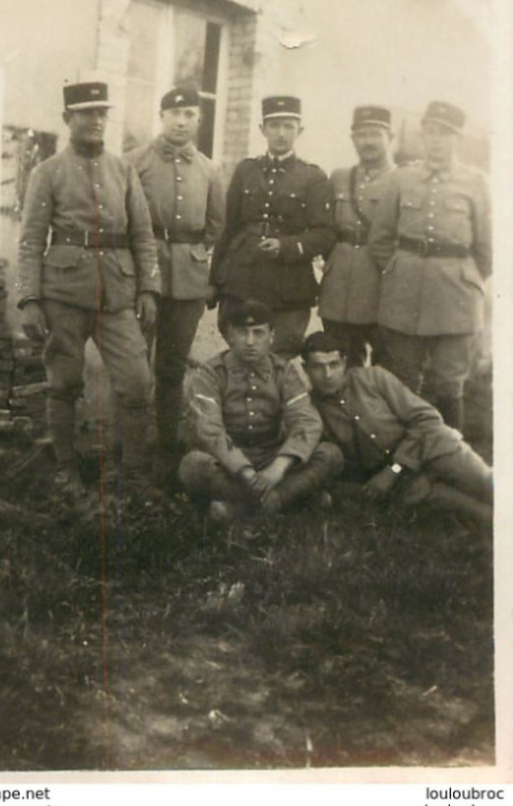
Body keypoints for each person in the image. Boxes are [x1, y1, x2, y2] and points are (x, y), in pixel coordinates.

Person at [17, 80, 161, 505]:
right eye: (86, 113)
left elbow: (144, 236)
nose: (96, 120)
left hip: (117, 294)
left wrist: (149, 289)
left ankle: (132, 474)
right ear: (68, 119)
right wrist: (29, 300)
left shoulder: (124, 171)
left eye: (102, 113)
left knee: (137, 383)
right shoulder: (48, 173)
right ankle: (65, 470)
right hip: (63, 293)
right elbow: (30, 242)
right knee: (63, 382)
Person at [368, 100, 491, 430]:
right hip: (404, 294)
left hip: (456, 300)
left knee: (449, 384)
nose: (436, 141)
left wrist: (461, 277)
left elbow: (487, 250)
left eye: (445, 134)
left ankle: (452, 462)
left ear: (458, 139)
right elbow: (379, 239)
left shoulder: (476, 184)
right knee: (405, 380)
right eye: (431, 133)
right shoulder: (401, 179)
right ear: (422, 136)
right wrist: (399, 269)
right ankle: (405, 464)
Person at [126, 85, 225, 487]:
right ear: (162, 117)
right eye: (174, 114)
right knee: (135, 368)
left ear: (199, 121)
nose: (181, 122)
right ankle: (130, 450)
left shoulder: (209, 168)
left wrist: (194, 254)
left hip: (188, 280)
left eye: (190, 115)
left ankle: (167, 449)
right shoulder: (135, 163)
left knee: (171, 368)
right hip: (143, 277)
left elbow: (217, 224)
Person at [301, 331, 492, 523]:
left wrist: (393, 470)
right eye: (318, 367)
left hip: (434, 449)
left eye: (333, 364)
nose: (327, 374)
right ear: (305, 369)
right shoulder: (310, 410)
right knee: (482, 516)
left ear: (344, 363)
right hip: (406, 484)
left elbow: (427, 418)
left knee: (491, 487)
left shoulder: (374, 378)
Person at [179, 300, 343, 523]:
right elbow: (210, 429)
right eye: (242, 333)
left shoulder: (283, 371)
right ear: (229, 336)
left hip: (273, 456)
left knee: (330, 454)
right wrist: (244, 470)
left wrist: (278, 468)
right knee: (193, 466)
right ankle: (285, 499)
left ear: (271, 336)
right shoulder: (211, 373)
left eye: (258, 333)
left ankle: (239, 509)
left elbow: (306, 421)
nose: (250, 342)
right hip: (230, 465)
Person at [209, 95, 334, 359]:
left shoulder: (313, 177)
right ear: (262, 130)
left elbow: (324, 233)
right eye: (274, 125)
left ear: (299, 131)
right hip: (243, 277)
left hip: (287, 285)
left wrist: (286, 246)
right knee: (240, 349)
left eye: (288, 126)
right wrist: (215, 280)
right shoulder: (246, 170)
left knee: (280, 355)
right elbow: (228, 228)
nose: (281, 133)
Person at [318, 105, 395, 366]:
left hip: (379, 282)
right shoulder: (339, 177)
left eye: (375, 134)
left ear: (390, 138)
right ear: (353, 140)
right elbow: (328, 230)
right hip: (338, 283)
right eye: (361, 135)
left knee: (384, 361)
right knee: (339, 357)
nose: (368, 141)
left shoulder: (402, 180)